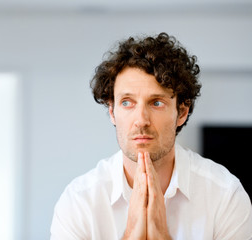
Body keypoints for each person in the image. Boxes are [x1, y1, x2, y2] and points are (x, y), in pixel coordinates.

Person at [50, 33, 252, 240]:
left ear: (181, 112)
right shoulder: (78, 202)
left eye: (156, 103)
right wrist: (130, 233)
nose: (141, 120)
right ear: (112, 111)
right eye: (127, 102)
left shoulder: (225, 196)